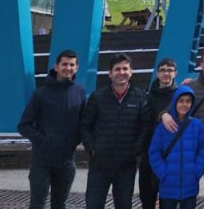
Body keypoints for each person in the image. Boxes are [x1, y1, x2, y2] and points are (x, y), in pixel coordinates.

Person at [81, 53, 153, 209]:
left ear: (131, 72)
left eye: (125, 68)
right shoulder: (97, 97)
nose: (121, 72)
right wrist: (92, 148)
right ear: (110, 73)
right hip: (99, 163)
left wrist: (136, 150)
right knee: (93, 204)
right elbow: (85, 126)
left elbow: (145, 128)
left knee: (124, 205)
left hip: (126, 165)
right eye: (117, 69)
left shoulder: (140, 98)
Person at [18, 50, 87, 209]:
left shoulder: (80, 92)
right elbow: (23, 125)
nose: (68, 68)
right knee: (37, 204)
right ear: (56, 67)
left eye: (71, 65)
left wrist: (75, 140)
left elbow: (83, 124)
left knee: (60, 204)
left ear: (76, 68)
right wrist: (43, 141)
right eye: (64, 64)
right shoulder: (41, 94)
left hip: (66, 162)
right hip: (42, 161)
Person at [163, 48, 204, 209]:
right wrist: (164, 115)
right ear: (201, 64)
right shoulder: (189, 87)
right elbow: (169, 110)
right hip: (193, 151)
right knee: (187, 195)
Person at [149, 85, 204, 209]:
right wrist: (163, 172)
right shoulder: (164, 126)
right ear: (174, 102)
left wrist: (197, 171)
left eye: (188, 101)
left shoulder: (197, 125)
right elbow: (154, 152)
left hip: (190, 184)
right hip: (168, 185)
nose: (184, 104)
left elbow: (203, 149)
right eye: (181, 101)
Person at [140, 58, 180, 209]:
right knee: (147, 197)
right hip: (149, 154)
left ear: (175, 73)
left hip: (170, 156)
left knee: (168, 200)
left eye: (170, 70)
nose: (166, 73)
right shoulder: (147, 97)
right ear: (157, 74)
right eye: (162, 70)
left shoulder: (180, 97)